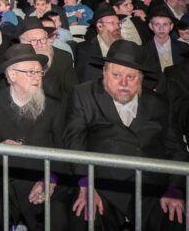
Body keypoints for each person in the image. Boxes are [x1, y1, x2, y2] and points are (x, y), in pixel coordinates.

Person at [65, 40, 188, 230]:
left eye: (131, 77)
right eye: (116, 75)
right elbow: (74, 142)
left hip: (151, 190)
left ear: (141, 78)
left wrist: (174, 189)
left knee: (176, 220)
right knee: (83, 217)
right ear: (104, 72)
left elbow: (177, 149)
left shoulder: (158, 103)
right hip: (102, 186)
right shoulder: (84, 95)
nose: (123, 83)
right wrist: (85, 183)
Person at [0, 44, 71, 230]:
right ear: (12, 75)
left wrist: (50, 179)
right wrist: (0, 146)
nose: (37, 77)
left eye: (39, 72)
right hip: (1, 178)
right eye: (30, 72)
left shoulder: (55, 106)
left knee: (57, 218)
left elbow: (64, 149)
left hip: (40, 177)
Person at [75, 4, 122, 83]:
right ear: (100, 26)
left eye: (118, 23)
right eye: (112, 23)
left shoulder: (126, 46)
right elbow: (84, 79)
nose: (117, 27)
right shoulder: (84, 49)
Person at [144, 7, 189, 75]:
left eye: (165, 24)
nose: (161, 28)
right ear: (151, 26)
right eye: (157, 24)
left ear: (171, 26)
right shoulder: (143, 50)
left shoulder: (184, 48)